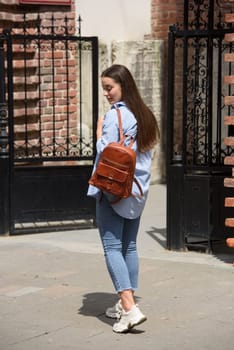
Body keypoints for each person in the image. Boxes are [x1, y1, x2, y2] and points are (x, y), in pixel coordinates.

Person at [87, 64, 160, 333]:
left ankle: (129, 308)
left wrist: (98, 136)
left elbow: (106, 152)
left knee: (112, 247)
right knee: (129, 246)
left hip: (114, 191)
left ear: (123, 86)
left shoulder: (115, 117)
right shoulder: (145, 115)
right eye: (104, 88)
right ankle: (124, 302)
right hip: (138, 191)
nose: (106, 93)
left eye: (109, 87)